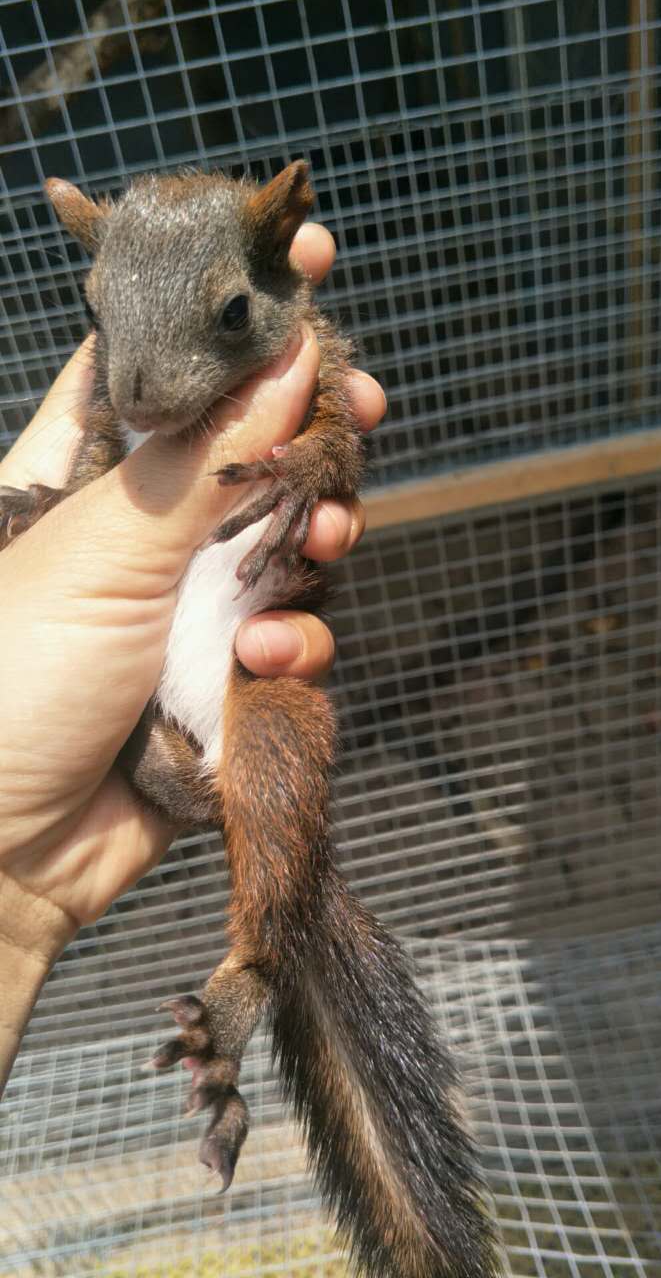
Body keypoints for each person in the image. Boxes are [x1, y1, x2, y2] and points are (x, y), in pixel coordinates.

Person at [0, 223, 385, 1092]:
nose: (143, 389)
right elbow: (99, 471)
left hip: (233, 694)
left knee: (281, 742)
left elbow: (335, 444)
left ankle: (253, 969)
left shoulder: (302, 367)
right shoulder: (109, 406)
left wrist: (305, 465)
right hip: (136, 744)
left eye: (224, 315)